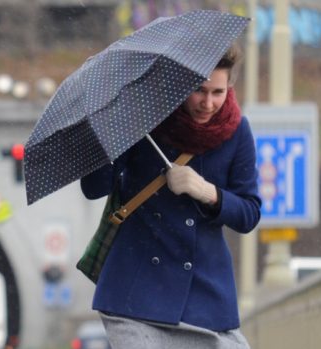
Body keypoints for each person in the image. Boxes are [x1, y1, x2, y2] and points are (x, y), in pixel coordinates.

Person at [80, 45, 261, 349]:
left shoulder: (237, 131)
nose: (208, 103)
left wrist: (205, 191)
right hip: (136, 290)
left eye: (218, 92)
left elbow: (249, 214)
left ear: (229, 86)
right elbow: (94, 188)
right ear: (181, 85)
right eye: (199, 91)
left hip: (204, 293)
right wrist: (110, 132)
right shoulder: (143, 121)